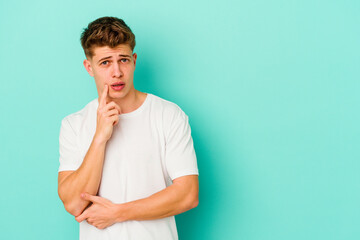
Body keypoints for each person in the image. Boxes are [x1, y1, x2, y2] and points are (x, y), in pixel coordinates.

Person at [57, 16, 199, 240]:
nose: (116, 72)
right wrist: (100, 137)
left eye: (123, 60)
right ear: (89, 67)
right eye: (105, 62)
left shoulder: (168, 115)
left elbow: (188, 194)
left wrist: (117, 213)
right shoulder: (74, 124)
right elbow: (74, 203)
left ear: (134, 60)